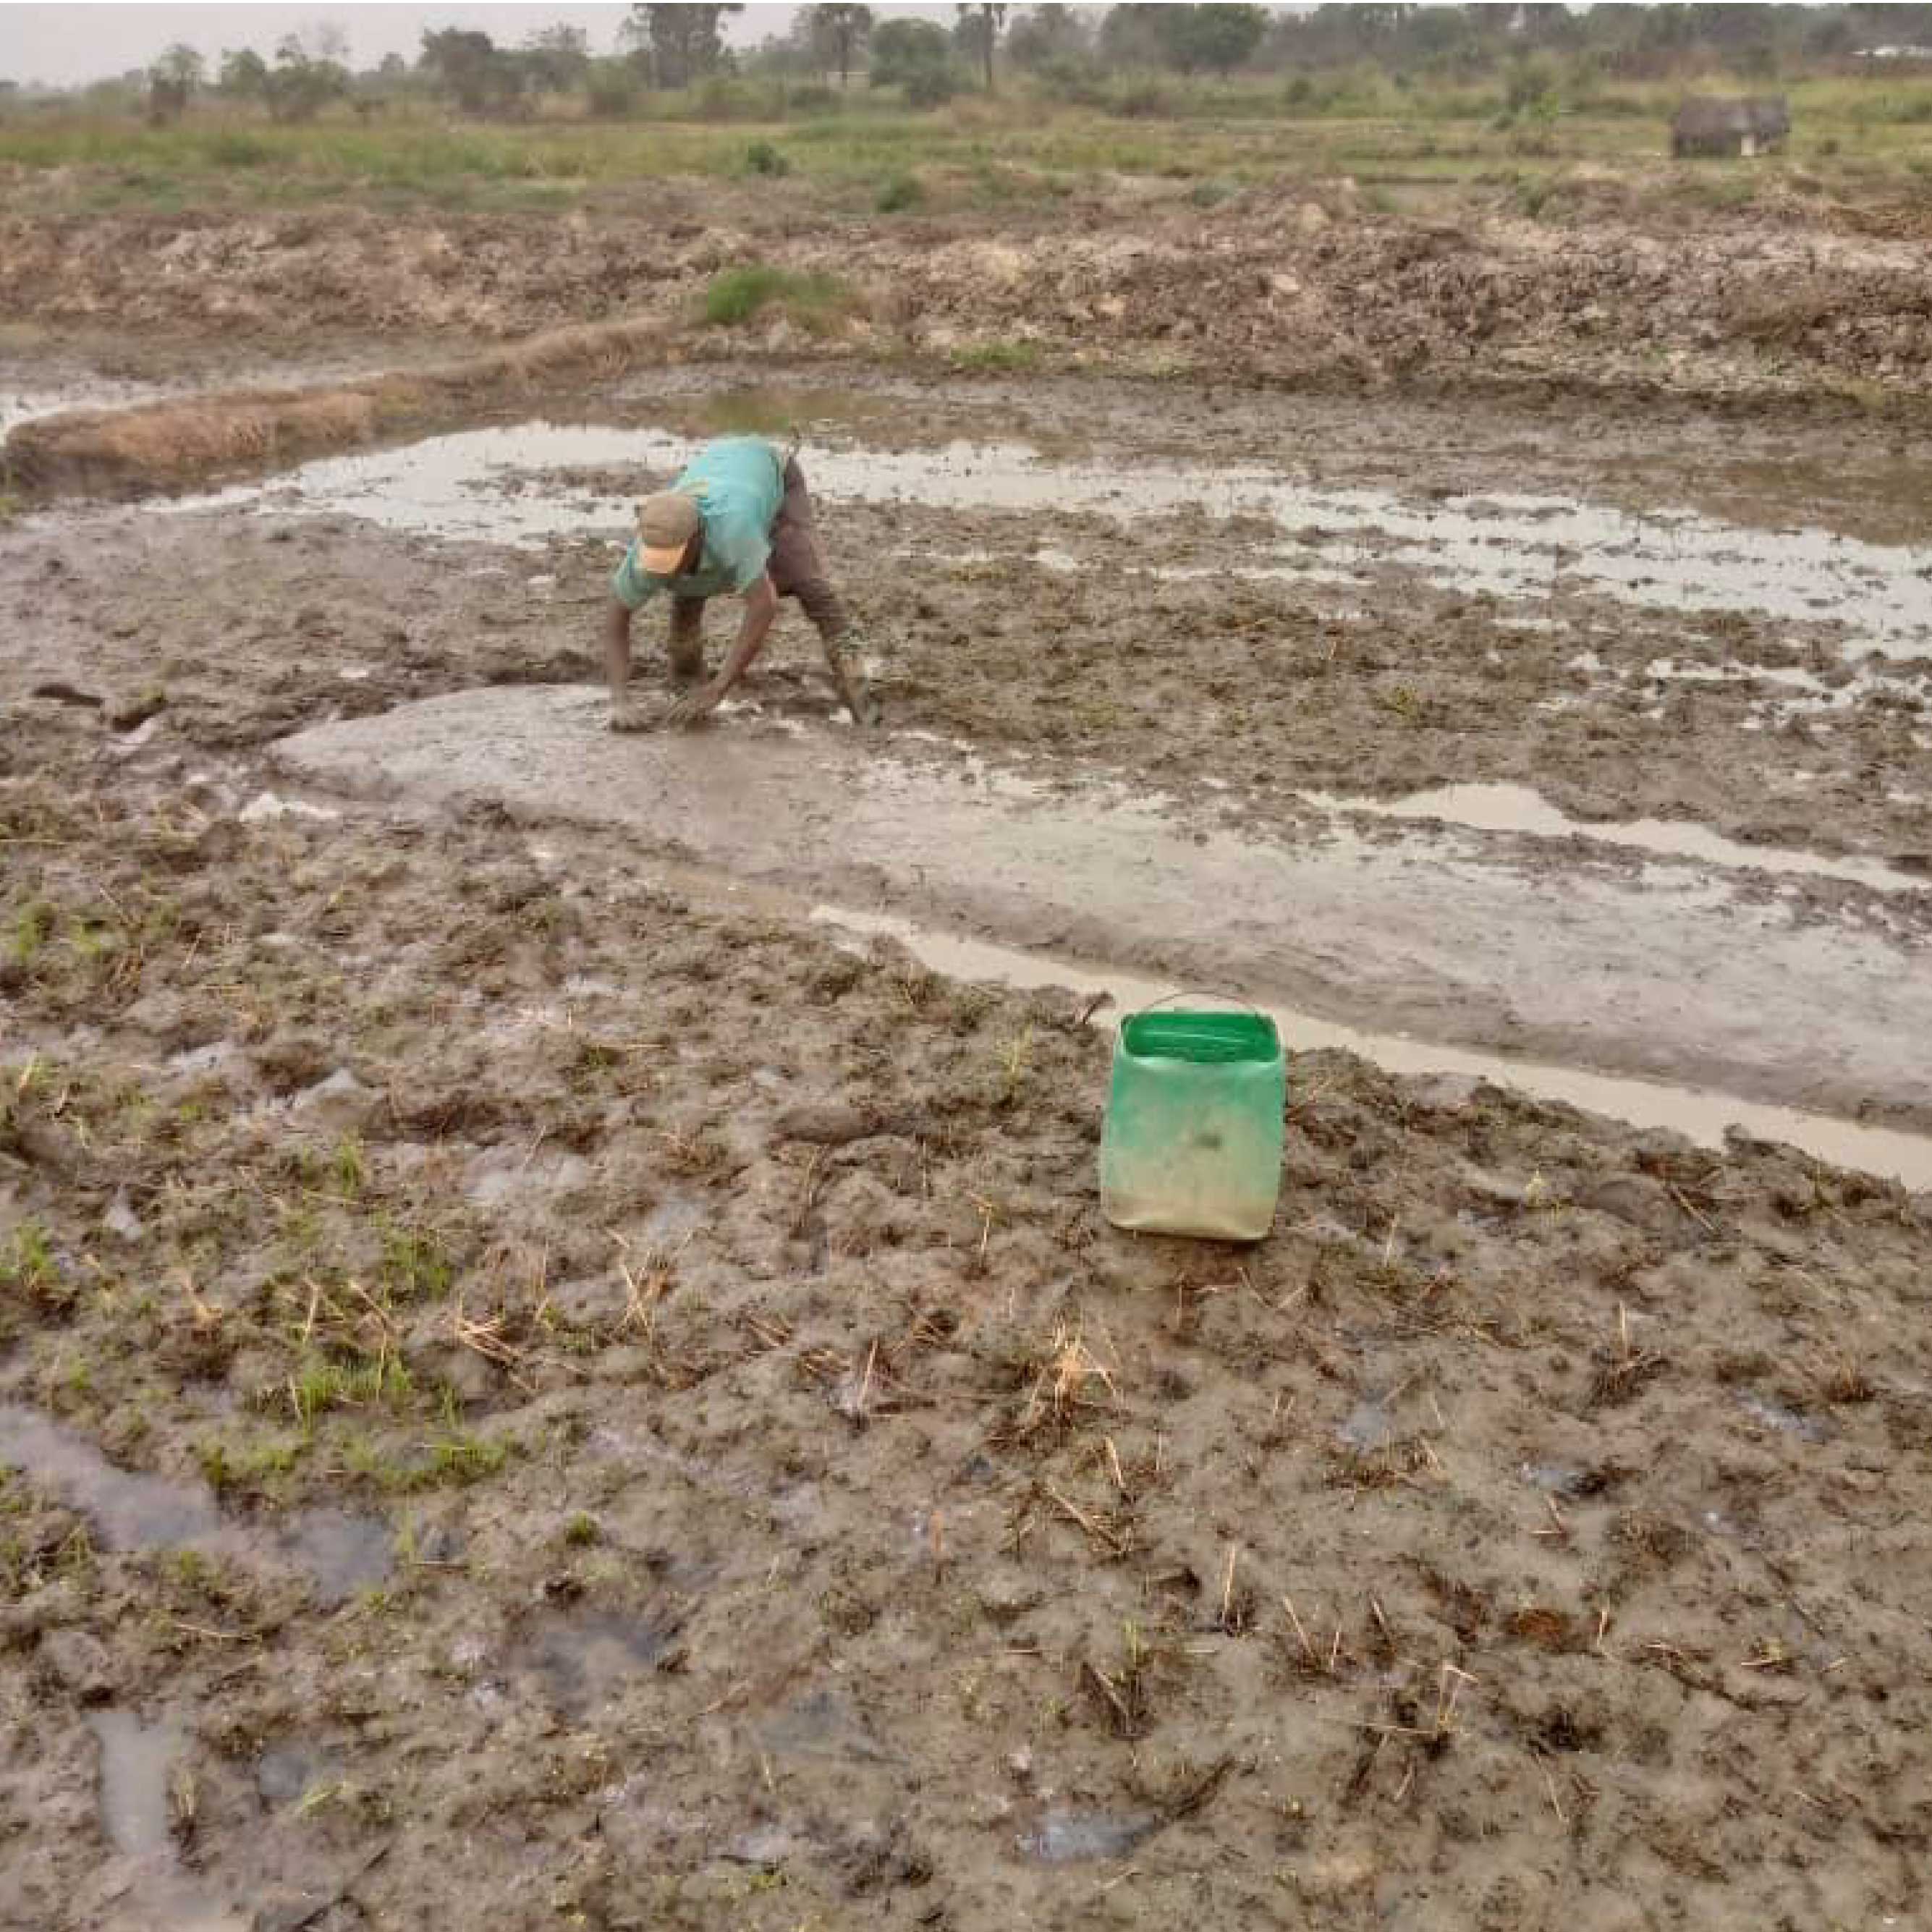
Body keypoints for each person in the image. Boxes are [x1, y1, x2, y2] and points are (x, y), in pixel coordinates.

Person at [603, 434, 881, 732]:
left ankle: (860, 696)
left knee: (806, 580)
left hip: (771, 472)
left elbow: (763, 606)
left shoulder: (732, 530)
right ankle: (684, 686)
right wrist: (619, 699)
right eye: (658, 560)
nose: (662, 570)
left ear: (697, 538)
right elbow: (616, 619)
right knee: (685, 591)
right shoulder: (651, 541)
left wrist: (720, 687)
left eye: (672, 558)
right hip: (723, 468)